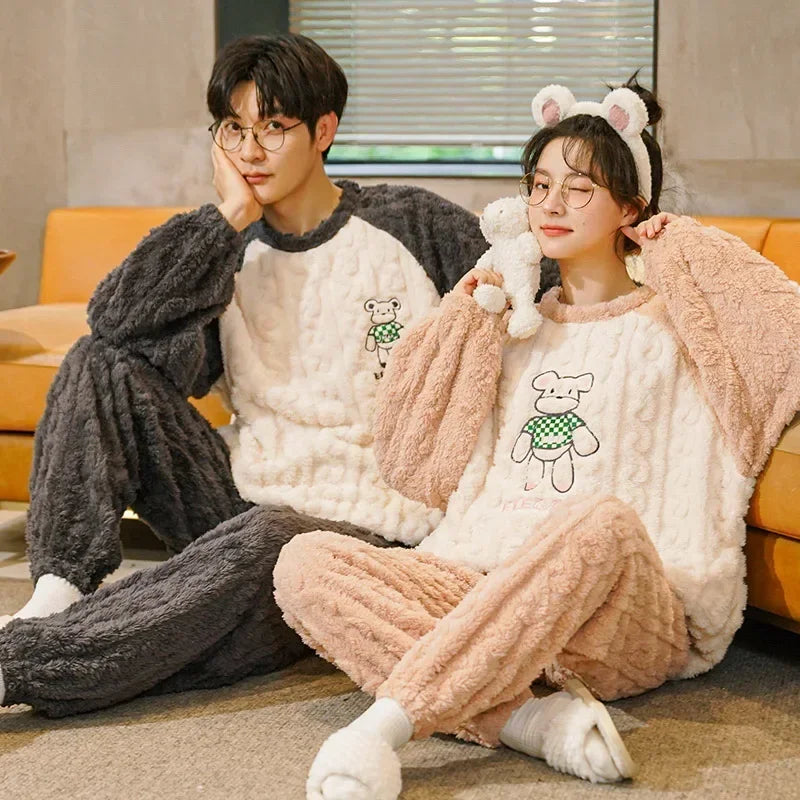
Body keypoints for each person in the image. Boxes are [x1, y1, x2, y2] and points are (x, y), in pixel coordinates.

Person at [273, 76, 800, 798]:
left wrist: (683, 247)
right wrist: (467, 317)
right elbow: (409, 455)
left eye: (579, 190)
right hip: (486, 583)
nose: (550, 205)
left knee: (599, 520)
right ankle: (528, 718)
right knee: (303, 563)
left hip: (629, 608)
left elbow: (785, 336)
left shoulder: (684, 326)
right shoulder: (510, 324)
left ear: (631, 207)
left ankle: (383, 728)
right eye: (540, 186)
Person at [0, 33, 524, 717]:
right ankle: (56, 594)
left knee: (267, 547)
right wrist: (226, 221)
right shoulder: (223, 247)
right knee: (99, 363)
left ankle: (20, 663)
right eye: (233, 129)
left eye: (273, 128)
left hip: (373, 530)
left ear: (323, 131)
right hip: (243, 497)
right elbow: (116, 328)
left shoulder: (410, 223)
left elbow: (534, 288)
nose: (249, 151)